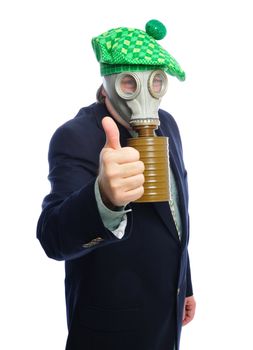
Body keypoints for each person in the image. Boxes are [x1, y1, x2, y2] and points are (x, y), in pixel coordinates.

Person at [37, 19, 196, 350]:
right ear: (107, 83)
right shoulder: (76, 137)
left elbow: (175, 214)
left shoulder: (168, 125)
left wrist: (184, 284)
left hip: (165, 317)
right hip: (110, 331)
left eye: (154, 82)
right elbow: (53, 236)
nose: (143, 94)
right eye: (129, 83)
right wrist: (103, 200)